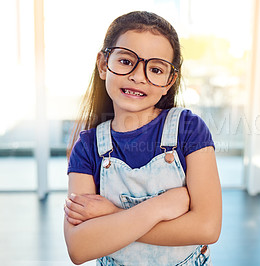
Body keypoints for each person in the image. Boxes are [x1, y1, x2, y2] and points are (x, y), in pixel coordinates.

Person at [64, 11, 222, 266]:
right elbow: (79, 247)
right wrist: (158, 208)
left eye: (156, 69)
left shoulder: (189, 129)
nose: (138, 76)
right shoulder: (87, 147)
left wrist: (113, 215)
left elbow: (207, 228)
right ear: (104, 65)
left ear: (169, 81)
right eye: (126, 62)